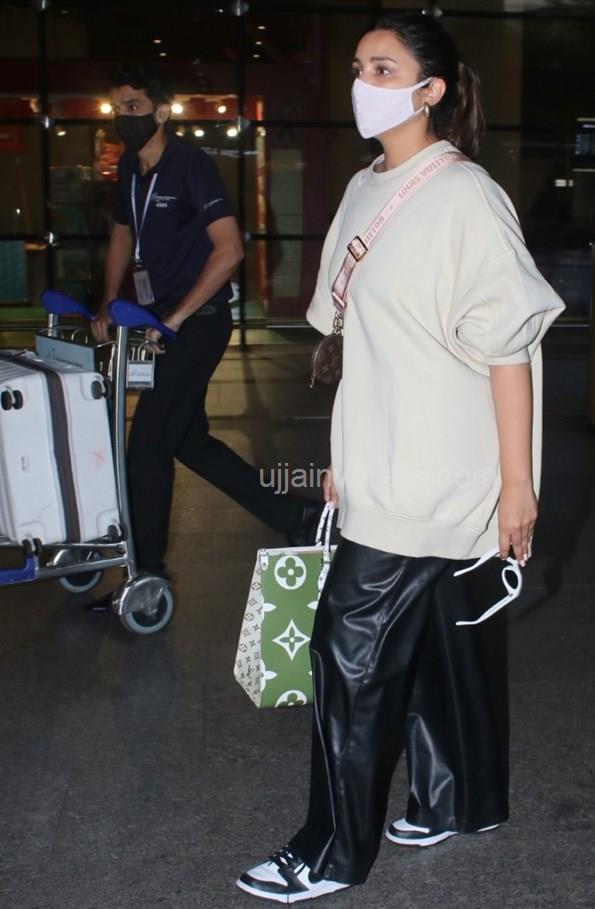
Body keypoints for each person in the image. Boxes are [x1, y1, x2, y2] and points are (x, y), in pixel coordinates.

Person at [237, 13, 564, 903]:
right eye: (358, 66)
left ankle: (330, 851)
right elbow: (355, 340)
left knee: (347, 655)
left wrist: (517, 485)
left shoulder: (466, 198)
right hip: (383, 457)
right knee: (439, 640)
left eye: (383, 69)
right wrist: (340, 455)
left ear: (432, 90)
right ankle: (461, 797)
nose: (363, 83)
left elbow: (508, 350)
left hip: (437, 467)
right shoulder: (363, 187)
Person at [91, 65, 321, 586]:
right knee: (188, 441)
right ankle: (296, 516)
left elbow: (230, 249)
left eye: (132, 106)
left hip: (198, 323)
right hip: (160, 323)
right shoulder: (129, 167)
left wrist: (175, 317)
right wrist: (108, 301)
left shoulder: (191, 166)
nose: (122, 116)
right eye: (116, 108)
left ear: (161, 112)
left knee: (147, 445)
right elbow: (123, 234)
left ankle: (145, 574)